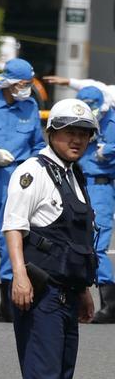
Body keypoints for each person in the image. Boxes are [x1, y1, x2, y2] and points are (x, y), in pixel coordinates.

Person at [2, 99, 98, 379]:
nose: (77, 139)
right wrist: (19, 276)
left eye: (83, 133)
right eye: (68, 131)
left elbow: (76, 241)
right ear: (51, 133)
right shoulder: (32, 172)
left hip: (68, 294)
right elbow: (13, 226)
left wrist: (86, 291)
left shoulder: (73, 175)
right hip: (41, 296)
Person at [0, 58, 46, 322]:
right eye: (22, 84)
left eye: (29, 84)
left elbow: (38, 144)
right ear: (8, 83)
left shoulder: (30, 106)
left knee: (14, 240)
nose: (26, 88)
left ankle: (9, 303)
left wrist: (30, 162)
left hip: (21, 180)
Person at [73, 86, 115, 323]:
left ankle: (110, 304)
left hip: (100, 184)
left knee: (97, 244)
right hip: (79, 182)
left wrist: (108, 150)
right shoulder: (80, 119)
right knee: (78, 241)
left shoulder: (111, 120)